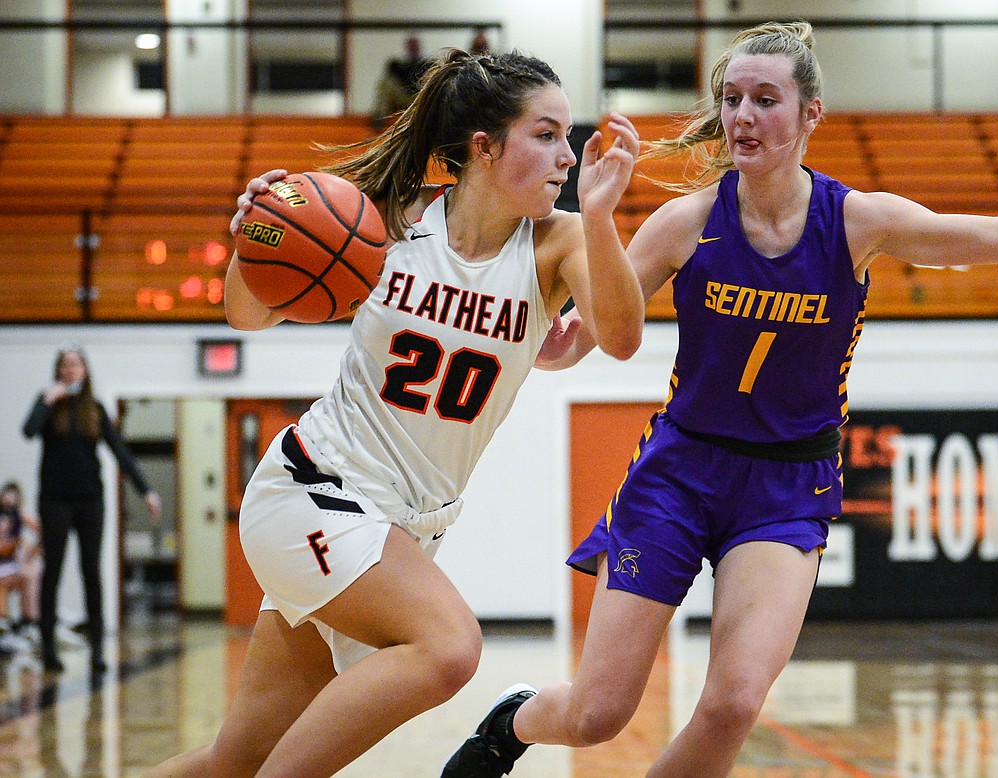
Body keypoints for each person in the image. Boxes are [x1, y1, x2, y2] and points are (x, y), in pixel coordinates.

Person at [441, 21, 998, 778]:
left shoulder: (857, 221)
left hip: (787, 484)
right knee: (597, 713)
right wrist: (550, 334)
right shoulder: (688, 222)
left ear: (810, 114)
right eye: (733, 98)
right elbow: (590, 334)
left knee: (734, 703)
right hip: (680, 471)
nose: (743, 115)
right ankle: (512, 723)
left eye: (765, 99)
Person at [145, 46, 643, 778]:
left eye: (567, 136)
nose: (567, 156)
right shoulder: (391, 217)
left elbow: (623, 340)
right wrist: (253, 242)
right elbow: (248, 316)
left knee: (234, 759)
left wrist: (600, 216)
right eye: (546, 134)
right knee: (450, 648)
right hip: (319, 489)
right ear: (483, 147)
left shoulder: (558, 242)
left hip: (398, 527)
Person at [21, 345, 162, 674]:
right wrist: (47, 400)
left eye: (76, 365)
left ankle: (98, 651)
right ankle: (48, 651)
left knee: (91, 574)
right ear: (59, 371)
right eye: (65, 365)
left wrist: (146, 491)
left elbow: (120, 453)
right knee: (52, 573)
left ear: (85, 372)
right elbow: (27, 431)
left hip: (90, 502)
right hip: (54, 501)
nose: (70, 370)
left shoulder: (95, 410)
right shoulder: (48, 406)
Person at [0, 481, 40, 646]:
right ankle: (3, 625)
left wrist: (30, 552)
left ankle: (30, 623)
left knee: (31, 576)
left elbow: (42, 531)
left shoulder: (20, 515)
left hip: (11, 565)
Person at [372, 36, 434, 131]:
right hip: (403, 100)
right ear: (407, 47)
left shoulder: (428, 65)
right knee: (386, 83)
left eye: (415, 45)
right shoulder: (397, 65)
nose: (413, 48)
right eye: (411, 46)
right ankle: (379, 119)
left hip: (420, 100)